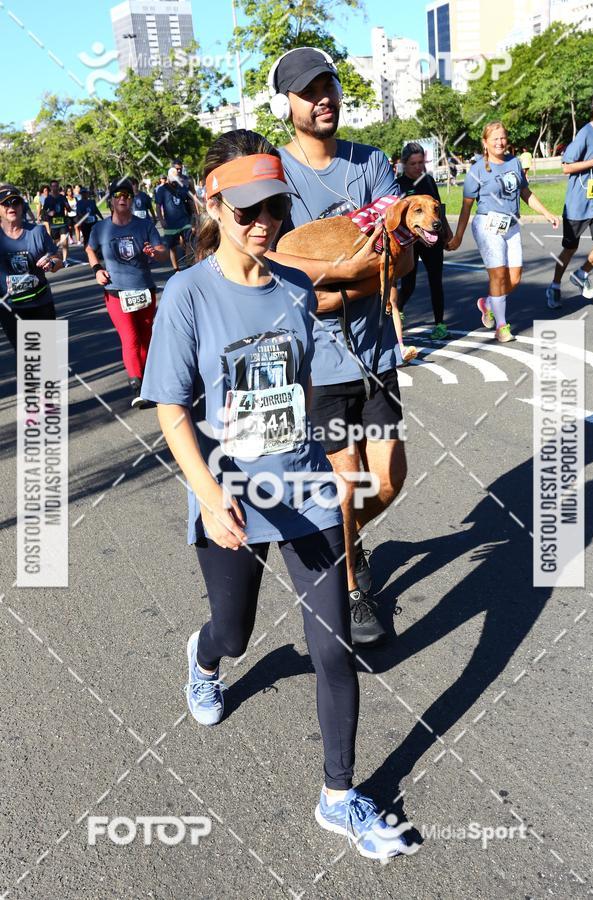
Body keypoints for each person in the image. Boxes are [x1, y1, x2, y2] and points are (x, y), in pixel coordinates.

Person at [140, 129, 411, 861]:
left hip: (304, 490)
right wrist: (207, 490)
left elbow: (315, 379)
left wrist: (339, 459)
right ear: (215, 204)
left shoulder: (295, 285)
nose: (264, 224)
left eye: (275, 210)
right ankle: (203, 659)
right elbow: (171, 407)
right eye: (248, 210)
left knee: (334, 649)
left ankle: (338, 796)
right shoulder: (189, 295)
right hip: (229, 494)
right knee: (236, 632)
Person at [266, 47, 407, 645]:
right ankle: (351, 588)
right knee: (346, 485)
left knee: (390, 480)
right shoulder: (273, 174)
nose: (323, 96)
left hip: (374, 356)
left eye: (329, 85)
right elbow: (273, 264)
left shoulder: (370, 162)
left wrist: (330, 277)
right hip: (316, 367)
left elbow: (396, 256)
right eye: (308, 90)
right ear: (287, 104)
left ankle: (338, 538)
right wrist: (358, 271)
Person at [447, 121, 560, 341]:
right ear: (485, 142)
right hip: (488, 225)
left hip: (512, 225)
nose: (500, 142)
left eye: (503, 138)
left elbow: (525, 192)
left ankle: (488, 302)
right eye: (495, 139)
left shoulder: (514, 163)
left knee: (515, 279)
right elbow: (466, 205)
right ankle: (502, 326)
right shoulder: (477, 170)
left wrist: (546, 213)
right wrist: (459, 235)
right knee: (498, 275)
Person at [85, 178, 167, 408]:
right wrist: (97, 269)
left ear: (132, 199)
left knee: (146, 337)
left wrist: (155, 251)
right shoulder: (101, 228)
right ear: (111, 200)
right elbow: (90, 248)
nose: (123, 199)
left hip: (143, 289)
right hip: (115, 292)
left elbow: (162, 251)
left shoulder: (144, 225)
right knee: (130, 337)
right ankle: (138, 385)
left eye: (127, 195)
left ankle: (150, 381)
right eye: (118, 195)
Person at [546, 89, 593, 308]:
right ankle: (555, 285)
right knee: (570, 249)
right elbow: (566, 167)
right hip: (578, 204)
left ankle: (581, 273)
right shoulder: (587, 133)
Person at [397, 141, 453, 340]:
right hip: (410, 241)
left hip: (432, 239)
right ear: (404, 164)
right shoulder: (398, 185)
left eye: (421, 162)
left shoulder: (428, 181)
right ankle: (398, 312)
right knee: (408, 284)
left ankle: (440, 324)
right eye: (414, 163)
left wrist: (446, 230)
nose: (419, 167)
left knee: (435, 281)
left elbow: (438, 209)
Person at [0, 183, 62, 351]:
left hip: (40, 304)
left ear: (22, 206)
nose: (11, 206)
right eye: (6, 203)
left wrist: (52, 263)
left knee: (46, 358)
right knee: (25, 358)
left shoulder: (37, 232)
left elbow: (58, 259)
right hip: (10, 308)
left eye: (16, 202)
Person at [156, 167, 194, 271]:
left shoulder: (181, 187)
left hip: (184, 220)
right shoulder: (162, 190)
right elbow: (158, 206)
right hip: (170, 223)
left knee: (188, 243)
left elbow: (190, 201)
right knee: (172, 247)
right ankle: (176, 269)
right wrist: (161, 220)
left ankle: (189, 266)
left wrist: (194, 218)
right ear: (168, 177)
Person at [42, 180, 71, 267]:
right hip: (53, 225)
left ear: (58, 187)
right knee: (56, 244)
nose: (55, 188)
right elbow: (43, 212)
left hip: (63, 223)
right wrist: (48, 213)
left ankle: (65, 260)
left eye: (56, 186)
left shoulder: (62, 197)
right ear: (51, 188)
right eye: (53, 186)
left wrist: (68, 206)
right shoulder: (48, 199)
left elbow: (69, 209)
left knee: (64, 242)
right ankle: (57, 258)